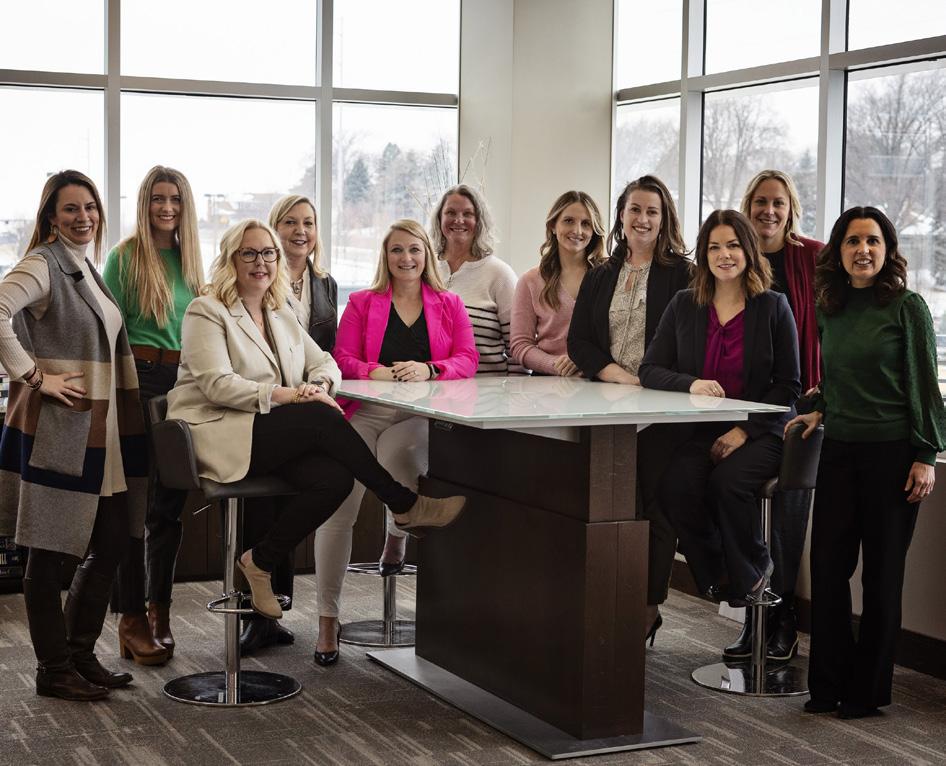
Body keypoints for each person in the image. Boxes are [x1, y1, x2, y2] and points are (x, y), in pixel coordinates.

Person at [166, 219, 465, 628]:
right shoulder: (207, 310)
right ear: (231, 260)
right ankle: (403, 503)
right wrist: (293, 395)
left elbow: (324, 361)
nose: (260, 262)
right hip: (218, 431)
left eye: (268, 253)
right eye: (249, 253)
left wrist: (319, 384)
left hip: (266, 432)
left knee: (335, 479)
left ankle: (260, 561)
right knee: (319, 416)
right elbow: (218, 385)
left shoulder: (279, 310)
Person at [786, 206, 946, 720]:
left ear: (887, 249)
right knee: (829, 570)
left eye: (873, 241)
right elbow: (837, 377)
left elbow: (924, 385)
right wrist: (820, 406)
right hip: (838, 451)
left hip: (893, 456)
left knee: (881, 576)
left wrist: (926, 454)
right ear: (838, 251)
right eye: (853, 241)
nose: (863, 250)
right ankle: (827, 685)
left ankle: (866, 691)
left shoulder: (907, 307)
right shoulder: (830, 307)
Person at [0, 170, 148, 700]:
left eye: (90, 207)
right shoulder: (44, 263)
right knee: (48, 551)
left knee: (111, 540)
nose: (83, 217)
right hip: (61, 430)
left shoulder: (84, 265)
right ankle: (53, 668)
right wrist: (34, 376)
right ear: (50, 217)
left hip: (100, 432)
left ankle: (79, 655)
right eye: (70, 209)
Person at [315, 219, 477, 664]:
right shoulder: (362, 302)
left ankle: (395, 533)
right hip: (367, 410)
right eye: (397, 250)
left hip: (419, 413)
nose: (406, 258)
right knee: (339, 505)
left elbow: (468, 357)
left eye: (414, 250)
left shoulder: (449, 303)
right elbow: (342, 357)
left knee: (398, 455)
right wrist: (376, 371)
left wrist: (431, 369)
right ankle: (327, 619)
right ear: (385, 258)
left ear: (427, 255)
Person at [639, 209, 800, 612]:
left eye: (732, 245)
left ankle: (754, 570)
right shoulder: (685, 304)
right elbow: (650, 369)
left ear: (748, 250)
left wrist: (746, 431)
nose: (723, 255)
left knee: (727, 482)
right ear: (704, 255)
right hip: (705, 428)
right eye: (714, 247)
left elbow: (789, 385)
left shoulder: (773, 306)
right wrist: (690, 383)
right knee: (675, 485)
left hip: (764, 428)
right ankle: (720, 575)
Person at [567, 175, 691, 642]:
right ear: (621, 214)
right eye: (635, 209)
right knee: (612, 506)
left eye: (652, 211)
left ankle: (647, 606)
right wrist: (615, 374)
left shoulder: (682, 275)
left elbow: (690, 344)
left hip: (662, 410)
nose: (642, 219)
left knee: (653, 509)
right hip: (609, 406)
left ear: (664, 219)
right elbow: (579, 340)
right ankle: (610, 602)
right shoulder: (601, 273)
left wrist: (652, 380)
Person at [722, 169, 825, 662]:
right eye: (760, 201)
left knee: (786, 518)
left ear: (791, 209)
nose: (769, 210)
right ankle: (754, 617)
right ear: (748, 206)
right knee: (741, 507)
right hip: (745, 408)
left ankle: (783, 621)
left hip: (801, 408)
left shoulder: (814, 258)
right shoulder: (735, 259)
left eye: (778, 202)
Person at [105, 165, 202, 666]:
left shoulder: (194, 262)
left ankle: (159, 610)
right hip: (138, 380)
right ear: (145, 204)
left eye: (175, 199)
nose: (167, 208)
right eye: (158, 199)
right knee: (136, 507)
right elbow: (107, 333)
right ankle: (130, 617)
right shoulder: (124, 258)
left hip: (183, 384)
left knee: (169, 507)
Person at [238, 195, 338, 656]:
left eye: (309, 223)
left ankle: (275, 611)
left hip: (307, 408)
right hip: (265, 409)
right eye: (291, 223)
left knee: (292, 503)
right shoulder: (259, 278)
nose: (301, 231)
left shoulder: (325, 283)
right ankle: (253, 616)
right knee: (260, 508)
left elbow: (325, 351)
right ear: (274, 231)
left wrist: (319, 383)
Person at [510, 191, 607, 376]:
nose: (577, 230)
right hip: (547, 384)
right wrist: (556, 365)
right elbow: (520, 345)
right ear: (553, 226)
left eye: (586, 224)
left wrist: (590, 362)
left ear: (594, 230)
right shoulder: (530, 281)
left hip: (599, 380)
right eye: (568, 221)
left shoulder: (608, 277)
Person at [432, 184, 518, 375]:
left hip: (488, 390)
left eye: (468, 214)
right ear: (439, 219)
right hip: (434, 388)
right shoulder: (425, 270)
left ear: (479, 221)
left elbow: (517, 351)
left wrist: (514, 392)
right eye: (451, 212)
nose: (458, 220)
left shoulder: (500, 274)